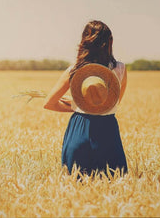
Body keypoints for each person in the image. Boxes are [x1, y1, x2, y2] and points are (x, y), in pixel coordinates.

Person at [44, 20, 128, 176]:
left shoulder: (75, 70)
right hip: (108, 131)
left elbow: (49, 103)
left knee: (76, 185)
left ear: (85, 42)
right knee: (114, 183)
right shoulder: (120, 69)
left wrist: (76, 106)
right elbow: (113, 102)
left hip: (79, 129)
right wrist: (84, 105)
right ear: (109, 42)